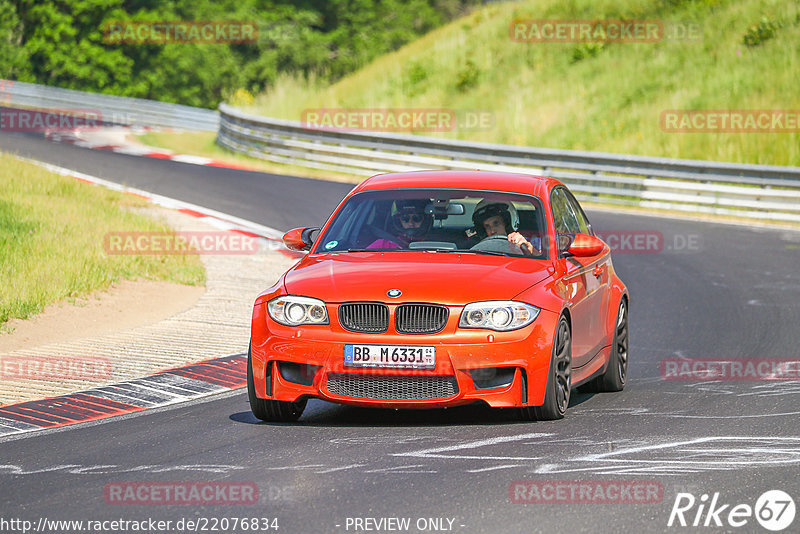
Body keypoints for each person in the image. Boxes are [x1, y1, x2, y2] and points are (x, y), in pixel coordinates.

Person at [470, 199, 540, 255]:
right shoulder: (478, 248)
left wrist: (528, 248)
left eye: (496, 223)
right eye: (487, 226)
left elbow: (544, 265)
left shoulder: (531, 241)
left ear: (507, 224)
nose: (492, 231)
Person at [367, 199, 432, 249]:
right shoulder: (383, 245)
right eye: (405, 219)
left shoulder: (434, 245)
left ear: (425, 221)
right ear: (399, 221)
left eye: (417, 218)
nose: (411, 223)